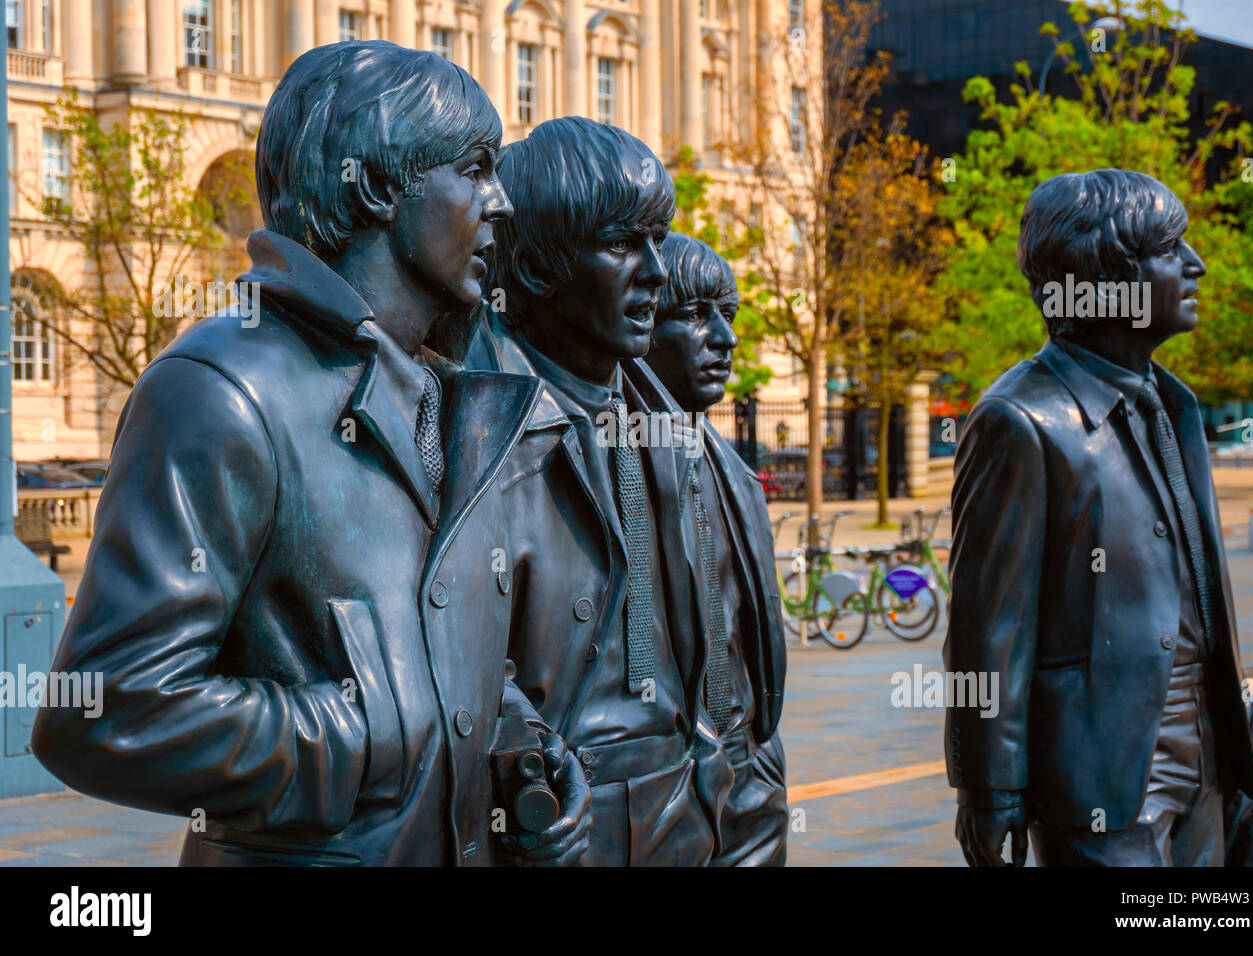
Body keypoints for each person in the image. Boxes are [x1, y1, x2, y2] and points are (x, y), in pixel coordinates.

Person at [31, 41, 591, 867]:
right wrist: (371, 736)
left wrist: (521, 745)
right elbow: (105, 711)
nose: (500, 203)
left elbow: (438, 642)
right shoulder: (221, 387)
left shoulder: (451, 395)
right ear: (373, 186)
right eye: (474, 169)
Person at [945, 168, 1253, 866]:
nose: (1196, 265)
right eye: (1171, 249)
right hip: (1102, 768)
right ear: (1107, 277)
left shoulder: (1174, 404)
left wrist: (1244, 730)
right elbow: (990, 629)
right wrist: (990, 786)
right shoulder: (1023, 420)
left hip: (1213, 749)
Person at [466, 117, 730, 866]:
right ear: (543, 266)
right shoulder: (470, 427)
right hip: (554, 829)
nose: (657, 270)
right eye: (622, 244)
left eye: (658, 238)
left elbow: (713, 658)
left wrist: (727, 793)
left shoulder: (668, 430)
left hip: (681, 813)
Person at [625, 232, 789, 866]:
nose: (725, 338)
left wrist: (763, 759)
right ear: (639, 323)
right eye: (695, 316)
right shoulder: (607, 460)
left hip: (750, 769)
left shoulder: (735, 474)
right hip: (664, 784)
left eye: (730, 315)